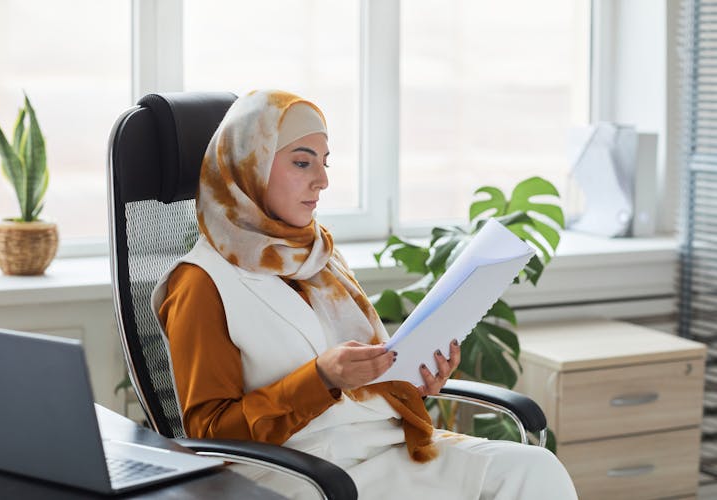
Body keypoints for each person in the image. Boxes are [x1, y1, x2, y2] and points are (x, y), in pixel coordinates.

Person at [151, 89, 577, 499]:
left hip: (383, 447)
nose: (321, 180)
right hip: (299, 470)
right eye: (302, 163)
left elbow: (364, 382)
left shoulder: (317, 256)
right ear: (249, 167)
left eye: (324, 163)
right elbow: (209, 434)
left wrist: (415, 376)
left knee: (536, 470)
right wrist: (320, 379)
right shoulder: (201, 283)